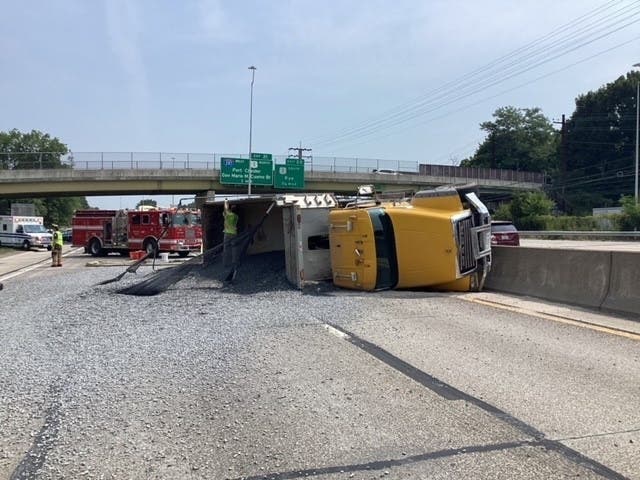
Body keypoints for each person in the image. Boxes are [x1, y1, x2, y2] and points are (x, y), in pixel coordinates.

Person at [222, 200, 239, 269]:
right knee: (234, 249)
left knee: (226, 249)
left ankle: (226, 264)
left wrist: (226, 201)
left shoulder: (228, 214)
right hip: (234, 233)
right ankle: (235, 263)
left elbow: (225, 208)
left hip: (227, 233)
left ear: (231, 209)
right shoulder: (236, 216)